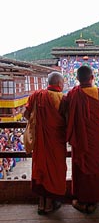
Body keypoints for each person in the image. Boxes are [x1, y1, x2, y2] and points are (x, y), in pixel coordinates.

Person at [24, 71, 67, 215]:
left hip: (40, 142)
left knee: (40, 169)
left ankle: (41, 204)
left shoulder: (36, 95)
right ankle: (49, 205)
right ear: (60, 84)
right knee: (54, 172)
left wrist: (38, 123)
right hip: (56, 144)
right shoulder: (63, 99)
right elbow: (67, 120)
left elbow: (26, 114)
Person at [66, 65, 99, 214]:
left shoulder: (72, 94)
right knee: (97, 167)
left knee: (81, 169)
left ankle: (82, 201)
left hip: (80, 139)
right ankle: (95, 200)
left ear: (77, 79)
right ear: (92, 78)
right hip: (97, 138)